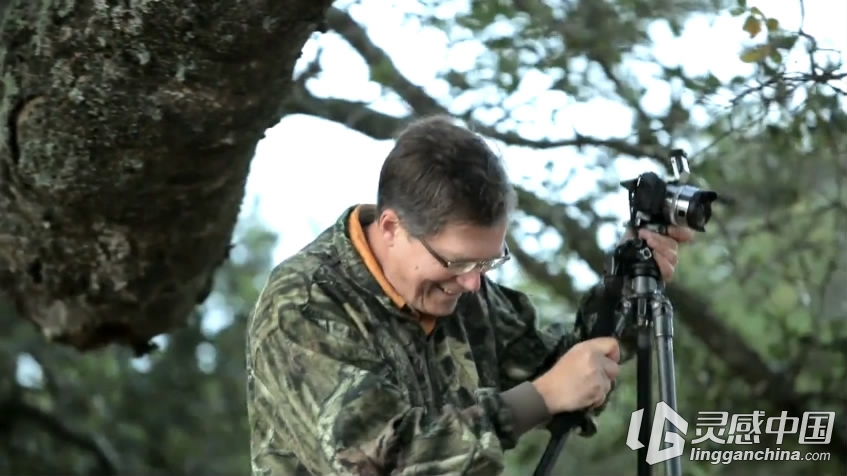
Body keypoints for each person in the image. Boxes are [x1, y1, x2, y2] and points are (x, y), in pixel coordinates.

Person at [245, 115, 693, 476]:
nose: (473, 284)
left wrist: (627, 287)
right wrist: (537, 400)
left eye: (488, 263)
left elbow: (561, 369)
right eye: (458, 262)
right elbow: (380, 462)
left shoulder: (462, 289)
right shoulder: (304, 304)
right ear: (391, 228)